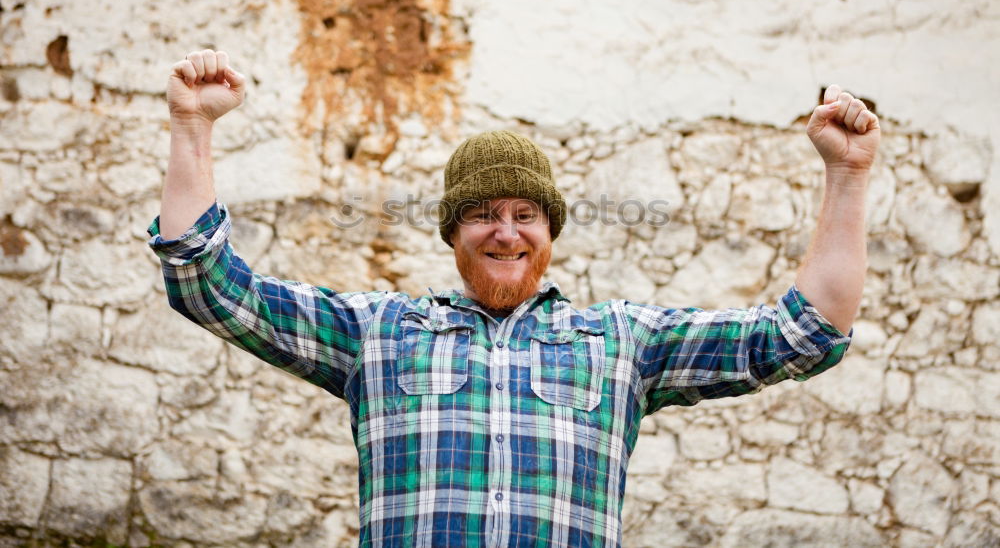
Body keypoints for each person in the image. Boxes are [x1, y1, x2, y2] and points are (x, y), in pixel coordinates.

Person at [149, 49, 880, 547]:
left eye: (525, 215)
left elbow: (804, 334)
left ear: (549, 230)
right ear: (453, 232)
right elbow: (207, 285)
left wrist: (848, 176)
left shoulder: (621, 342)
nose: (506, 233)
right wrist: (192, 126)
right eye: (483, 214)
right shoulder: (378, 334)